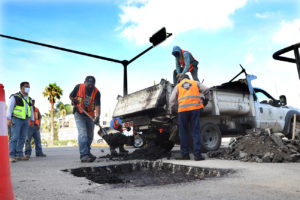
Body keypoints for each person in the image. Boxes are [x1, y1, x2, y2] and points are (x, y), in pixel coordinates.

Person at [169, 74, 208, 161]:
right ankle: (197, 155)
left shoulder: (178, 86)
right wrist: (205, 101)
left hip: (182, 111)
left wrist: (172, 111)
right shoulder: (195, 83)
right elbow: (206, 90)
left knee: (183, 133)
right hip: (195, 109)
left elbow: (171, 101)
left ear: (179, 79)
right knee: (196, 131)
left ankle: (185, 155)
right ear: (188, 78)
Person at [69, 76, 101, 163]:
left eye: (92, 85)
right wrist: (74, 100)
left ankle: (87, 152)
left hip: (90, 114)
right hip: (79, 112)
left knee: (90, 136)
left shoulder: (97, 92)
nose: (90, 86)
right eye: (88, 84)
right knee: (83, 133)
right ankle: (84, 155)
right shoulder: (78, 87)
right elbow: (71, 96)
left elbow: (97, 106)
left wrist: (97, 117)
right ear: (84, 82)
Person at [7, 82, 34, 162]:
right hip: (16, 119)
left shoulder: (29, 99)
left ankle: (19, 155)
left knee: (22, 137)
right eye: (26, 86)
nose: (28, 88)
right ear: (21, 88)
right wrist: (8, 119)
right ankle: (11, 155)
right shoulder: (15, 97)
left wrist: (32, 119)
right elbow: (10, 108)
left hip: (26, 120)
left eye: (29, 86)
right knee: (14, 137)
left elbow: (31, 110)